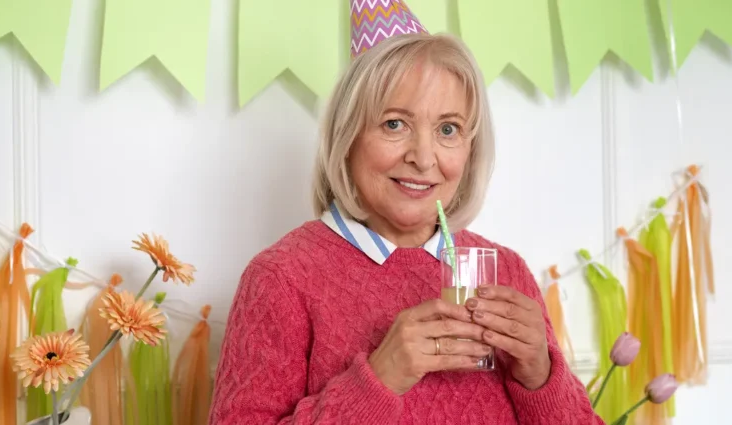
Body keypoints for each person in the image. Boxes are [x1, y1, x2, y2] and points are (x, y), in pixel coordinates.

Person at [210, 2, 603, 424]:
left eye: (448, 129)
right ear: (348, 136)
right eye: (395, 124)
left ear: (470, 150)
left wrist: (539, 377)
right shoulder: (281, 278)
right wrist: (380, 379)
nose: (423, 157)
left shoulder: (507, 271)